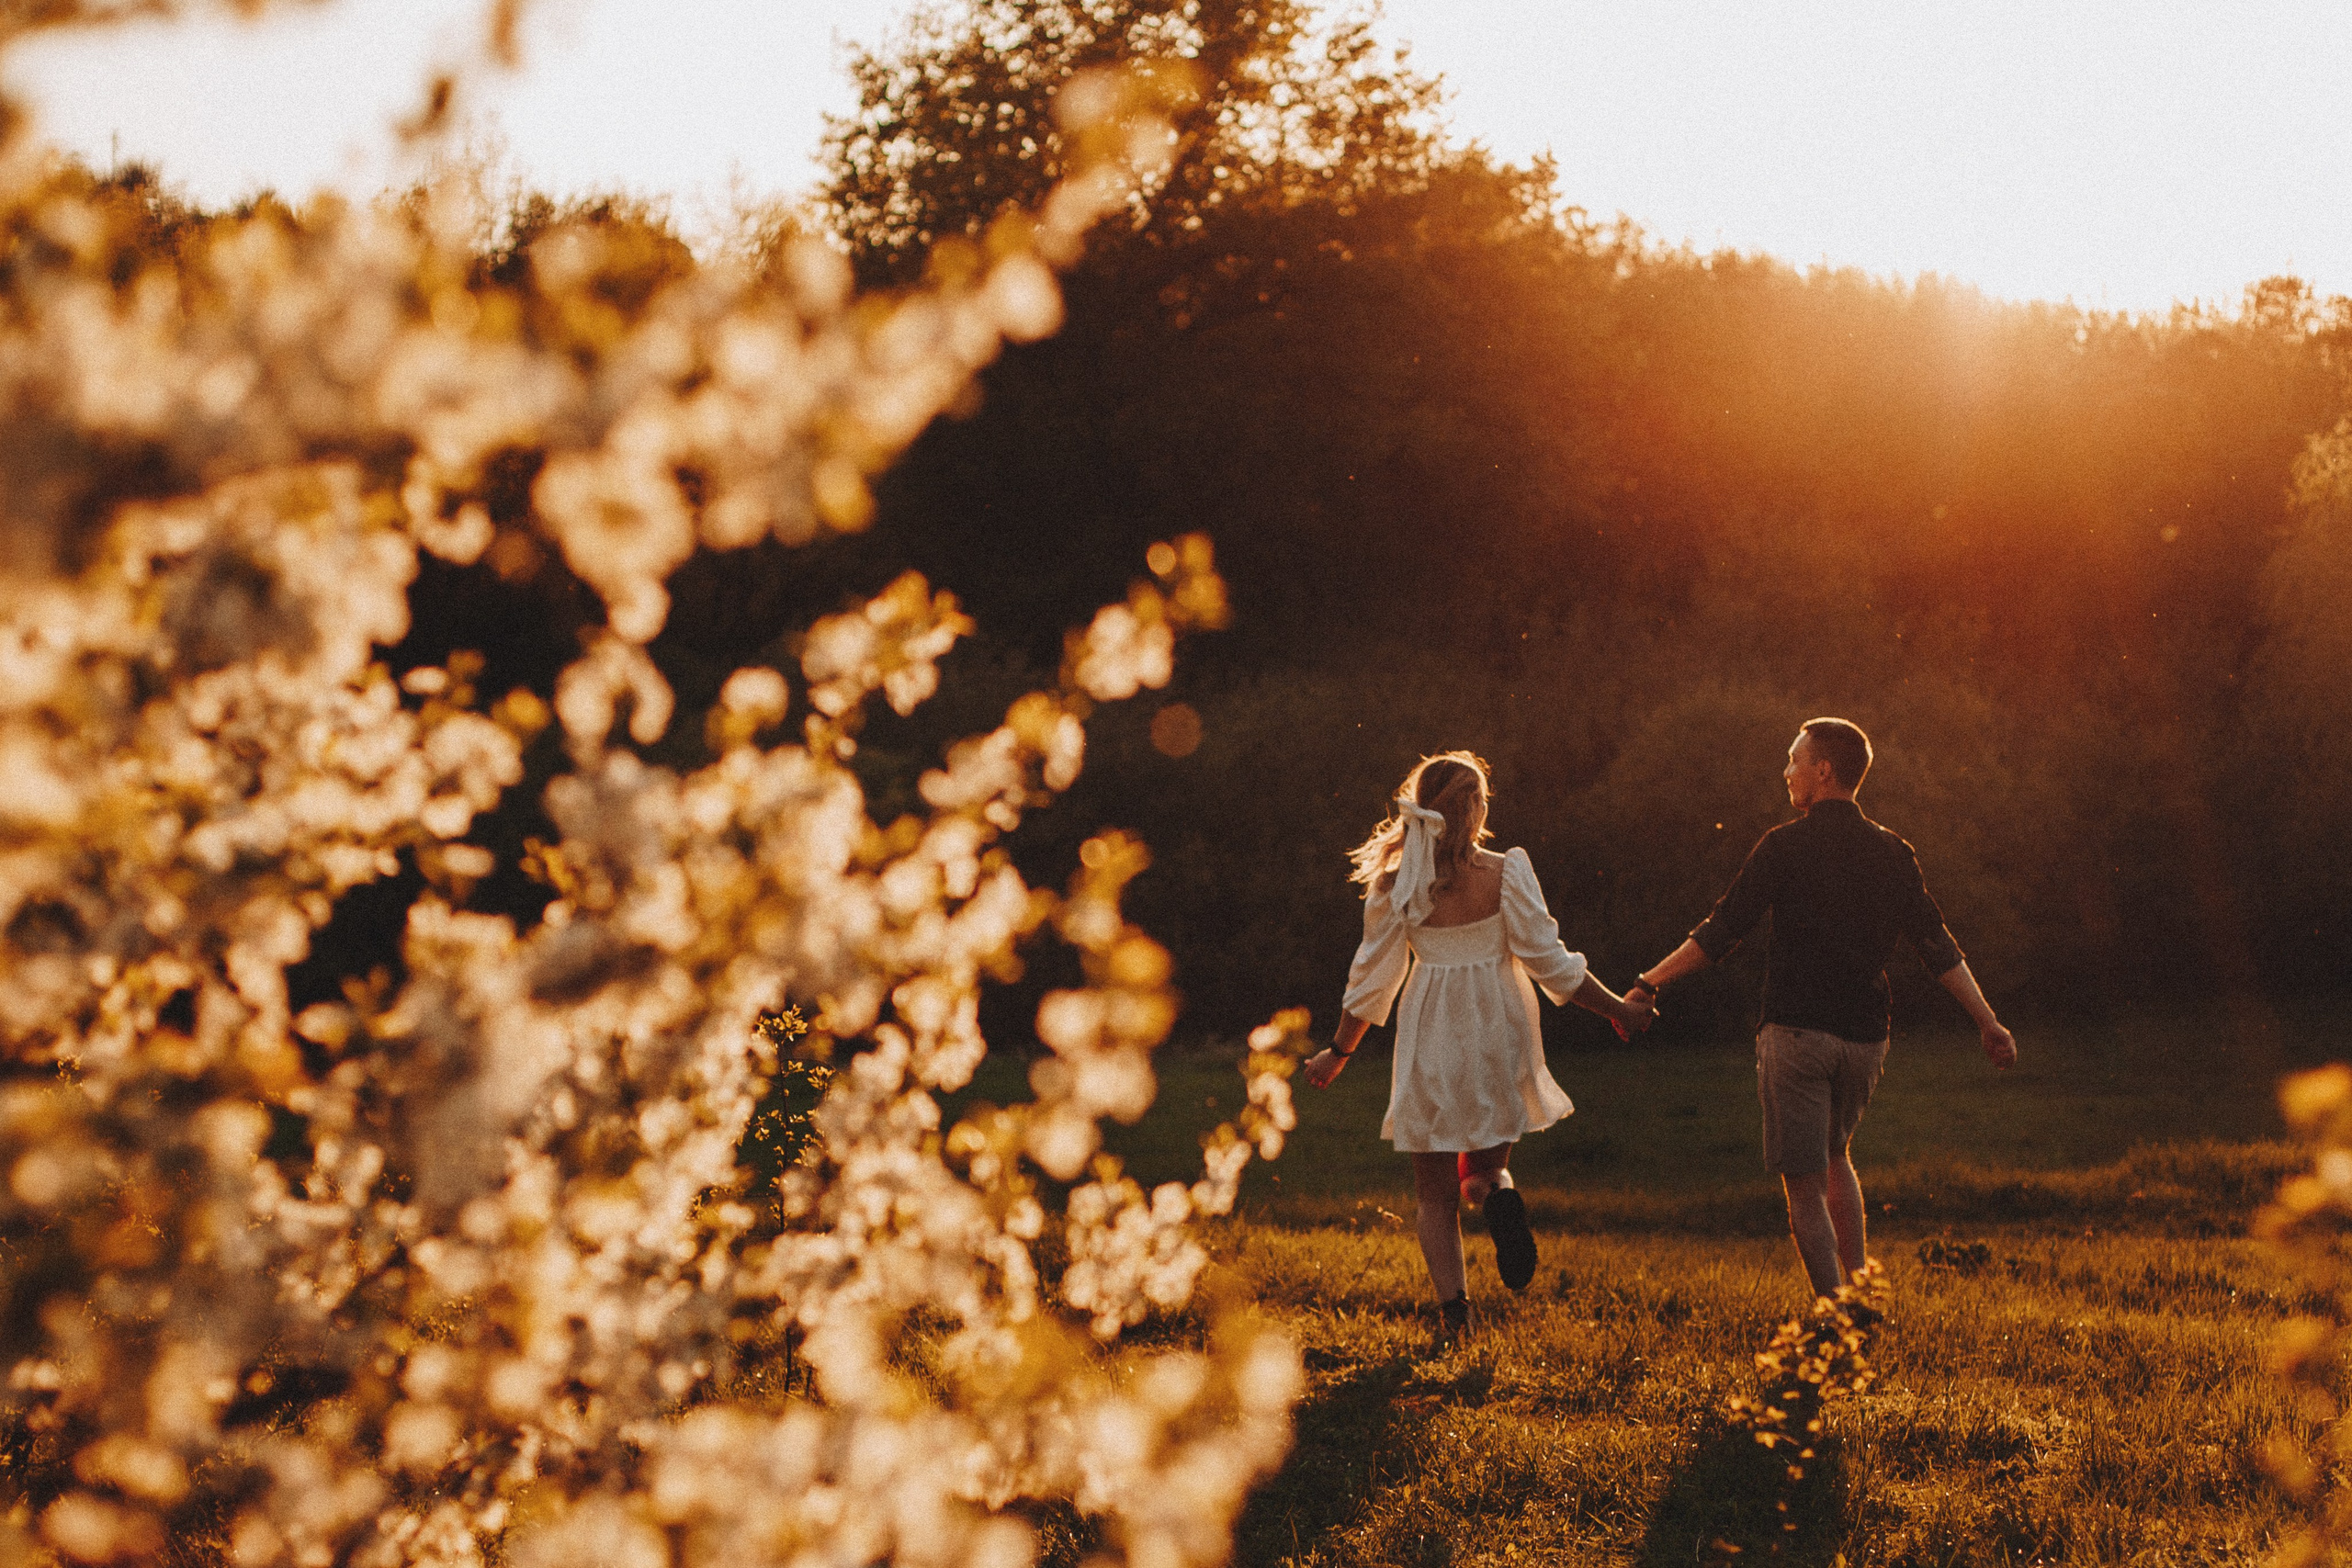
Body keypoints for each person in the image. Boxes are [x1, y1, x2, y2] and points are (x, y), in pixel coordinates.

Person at [1623, 716, 2017, 1302]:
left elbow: (1721, 932)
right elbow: (1937, 946)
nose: (1786, 771)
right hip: (1865, 1040)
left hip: (1797, 1035)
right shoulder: (1893, 851)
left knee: (1804, 1188)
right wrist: (1989, 1022)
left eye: (1794, 760)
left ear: (1824, 771)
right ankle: (1858, 1296)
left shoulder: (1784, 846)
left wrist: (1648, 982)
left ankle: (1835, 1321)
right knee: (1838, 1156)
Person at [1303, 751, 1650, 1338]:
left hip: (1432, 1028)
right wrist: (1618, 1009)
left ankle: (1455, 1313)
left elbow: (1373, 978)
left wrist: (1338, 1051)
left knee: (1434, 1193)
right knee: (1484, 1167)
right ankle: (1497, 1194)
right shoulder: (1508, 870)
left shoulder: (1398, 882)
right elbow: (1551, 963)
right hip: (1501, 1027)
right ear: (1478, 808)